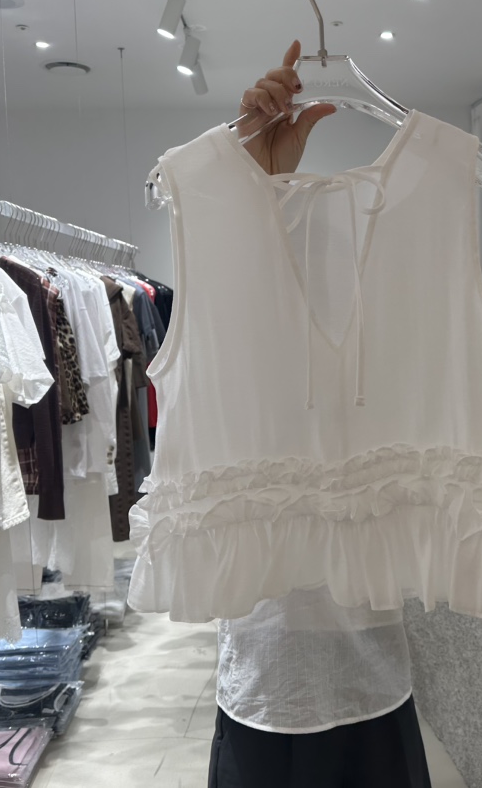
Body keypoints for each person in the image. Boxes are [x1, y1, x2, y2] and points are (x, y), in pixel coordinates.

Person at [206, 41, 433, 788]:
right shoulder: (241, 308)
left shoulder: (401, 296)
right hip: (267, 668)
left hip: (368, 667)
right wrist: (259, 170)